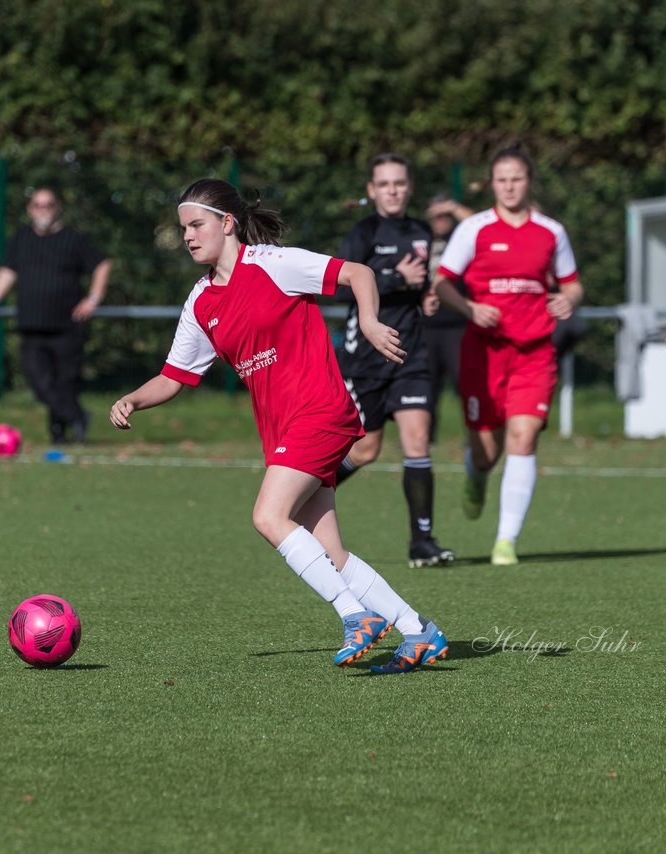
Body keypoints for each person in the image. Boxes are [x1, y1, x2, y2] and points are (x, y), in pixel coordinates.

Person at [109, 178, 448, 673]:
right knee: (331, 552)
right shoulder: (201, 301)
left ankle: (356, 616)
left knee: (268, 516)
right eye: (183, 228)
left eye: (196, 225)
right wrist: (133, 400)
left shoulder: (273, 264)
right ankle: (419, 631)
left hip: (321, 411)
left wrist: (371, 323)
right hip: (284, 431)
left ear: (227, 224)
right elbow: (174, 376)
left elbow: (357, 273)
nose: (187, 236)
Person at [431, 143, 583, 566]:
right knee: (485, 449)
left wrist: (567, 299)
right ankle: (476, 475)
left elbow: (572, 283)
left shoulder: (551, 231)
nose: (510, 186)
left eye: (517, 178)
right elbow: (442, 283)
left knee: (524, 436)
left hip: (534, 352)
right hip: (483, 352)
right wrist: (470, 308)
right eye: (502, 179)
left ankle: (505, 542)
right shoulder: (474, 228)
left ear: (528, 181)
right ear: (491, 184)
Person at [332, 155, 455, 569]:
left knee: (417, 440)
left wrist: (427, 297)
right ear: (371, 190)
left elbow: (422, 286)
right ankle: (307, 495)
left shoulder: (421, 231)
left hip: (410, 353)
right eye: (384, 184)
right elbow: (339, 289)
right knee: (366, 450)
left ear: (409, 187)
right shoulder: (363, 233)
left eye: (399, 183)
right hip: (366, 357)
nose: (393, 190)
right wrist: (394, 279)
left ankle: (422, 540)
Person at [0, 188, 111, 444]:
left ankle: (60, 435)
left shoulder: (74, 239)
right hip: (32, 326)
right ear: (29, 209)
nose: (42, 210)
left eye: (48, 205)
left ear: (57, 208)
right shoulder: (22, 239)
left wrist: (93, 298)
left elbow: (101, 264)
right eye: (37, 205)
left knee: (65, 383)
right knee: (40, 383)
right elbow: (7, 272)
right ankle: (78, 416)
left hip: (68, 326)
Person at [423, 194, 474, 442]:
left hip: (456, 324)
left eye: (445, 215)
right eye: (436, 214)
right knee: (427, 386)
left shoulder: (461, 239)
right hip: (425, 325)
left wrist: (453, 206)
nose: (440, 219)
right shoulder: (420, 239)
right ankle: (424, 439)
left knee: (465, 382)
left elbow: (478, 225)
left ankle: (474, 434)